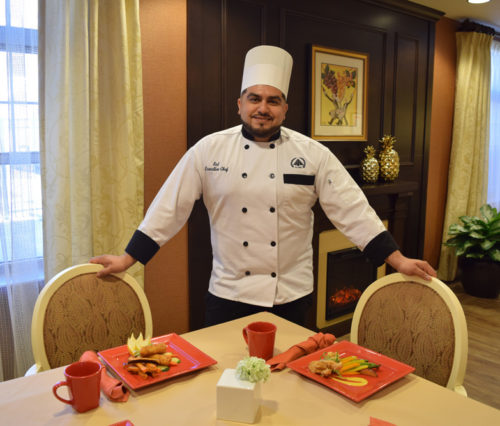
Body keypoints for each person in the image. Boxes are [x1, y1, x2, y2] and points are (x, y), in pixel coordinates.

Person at [91, 45, 436, 327]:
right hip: (228, 294)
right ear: (240, 105)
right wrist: (128, 259)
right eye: (254, 98)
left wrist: (397, 259)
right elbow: (169, 207)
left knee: (292, 387)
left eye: (273, 101)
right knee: (225, 383)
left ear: (285, 109)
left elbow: (353, 210)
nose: (262, 108)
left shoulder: (313, 154)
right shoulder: (208, 150)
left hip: (291, 295)